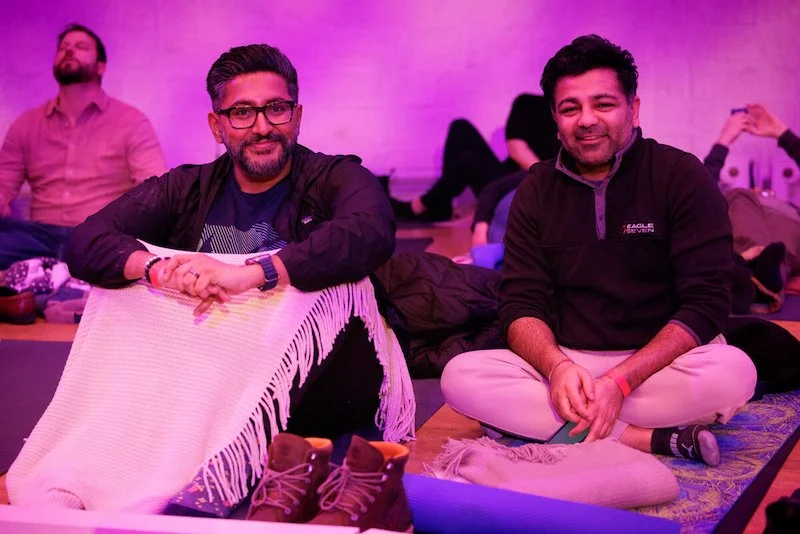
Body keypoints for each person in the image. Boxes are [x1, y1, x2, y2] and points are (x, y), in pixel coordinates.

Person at [441, 35, 757, 466]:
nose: (586, 120)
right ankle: (647, 439)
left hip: (658, 366)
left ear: (634, 108)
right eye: (571, 108)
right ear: (556, 119)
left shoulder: (681, 175)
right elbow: (520, 304)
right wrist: (556, 368)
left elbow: (705, 304)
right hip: (569, 365)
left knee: (735, 373)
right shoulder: (535, 189)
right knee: (461, 378)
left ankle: (557, 425)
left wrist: (621, 382)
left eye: (603, 104)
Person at [64, 42, 395, 438]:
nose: (262, 127)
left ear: (298, 116)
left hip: (308, 381)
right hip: (208, 366)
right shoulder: (186, 188)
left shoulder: (334, 177)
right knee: (123, 285)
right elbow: (85, 241)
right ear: (217, 126)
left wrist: (252, 273)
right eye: (241, 113)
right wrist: (158, 270)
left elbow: (370, 229)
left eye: (276, 108)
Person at [0, 24, 166, 269]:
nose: (69, 51)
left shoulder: (131, 121)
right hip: (37, 237)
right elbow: (4, 183)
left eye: (80, 47)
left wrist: (125, 226)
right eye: (63, 48)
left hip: (100, 237)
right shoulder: (26, 124)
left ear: (101, 67)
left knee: (139, 256)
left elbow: (155, 187)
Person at [391, 93, 560, 222]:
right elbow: (516, 148)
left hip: (524, 185)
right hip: (510, 176)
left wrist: (545, 181)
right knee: (460, 127)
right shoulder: (528, 103)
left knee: (468, 160)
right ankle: (441, 204)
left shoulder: (565, 115)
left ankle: (421, 205)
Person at [703, 104, 800, 303]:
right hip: (748, 226)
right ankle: (767, 278)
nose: (759, 196)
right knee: (739, 196)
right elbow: (699, 189)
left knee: (779, 240)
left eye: (765, 194)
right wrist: (724, 140)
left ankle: (744, 269)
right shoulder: (737, 201)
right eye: (756, 194)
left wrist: (782, 133)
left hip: (789, 221)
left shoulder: (787, 208)